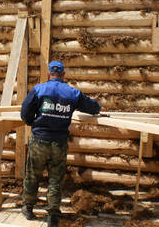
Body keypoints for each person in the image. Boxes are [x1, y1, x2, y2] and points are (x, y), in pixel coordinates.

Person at [20, 61, 102, 227]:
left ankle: (28, 208)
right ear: (63, 75)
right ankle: (52, 216)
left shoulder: (38, 89)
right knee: (55, 179)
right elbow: (91, 106)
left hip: (39, 141)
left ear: (49, 74)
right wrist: (99, 108)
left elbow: (25, 113)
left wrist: (32, 122)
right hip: (59, 143)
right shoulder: (72, 93)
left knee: (32, 175)